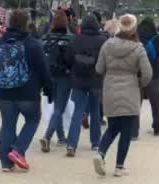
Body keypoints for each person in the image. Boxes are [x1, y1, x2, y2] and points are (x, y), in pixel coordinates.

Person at [0, 10, 53, 172]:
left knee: (8, 124)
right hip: (28, 92)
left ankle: (5, 163)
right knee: (33, 120)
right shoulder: (34, 44)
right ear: (27, 24)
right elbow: (44, 70)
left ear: (9, 23)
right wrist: (49, 89)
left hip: (2, 91)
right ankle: (18, 150)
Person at [93, 14, 152, 178]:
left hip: (110, 88)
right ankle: (119, 166)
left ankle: (101, 152)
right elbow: (148, 74)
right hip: (130, 89)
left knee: (113, 127)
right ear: (134, 28)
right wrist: (140, 83)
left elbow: (98, 69)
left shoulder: (107, 45)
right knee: (126, 131)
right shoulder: (138, 48)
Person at [64, 14, 108, 156]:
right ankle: (95, 142)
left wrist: (73, 70)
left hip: (78, 79)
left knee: (78, 111)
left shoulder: (75, 39)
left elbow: (68, 58)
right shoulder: (102, 40)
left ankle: (72, 144)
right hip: (95, 79)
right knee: (95, 112)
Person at [39, 11, 74, 152]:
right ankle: (47, 136)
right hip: (64, 76)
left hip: (49, 75)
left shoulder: (45, 38)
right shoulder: (70, 38)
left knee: (56, 107)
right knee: (59, 107)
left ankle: (60, 136)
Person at [134, 17, 159, 137]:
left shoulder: (136, 37)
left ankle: (134, 129)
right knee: (155, 103)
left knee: (136, 103)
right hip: (155, 73)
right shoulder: (156, 38)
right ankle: (157, 126)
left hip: (138, 74)